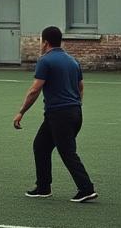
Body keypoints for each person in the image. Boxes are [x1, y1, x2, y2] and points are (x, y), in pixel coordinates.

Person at [13, 26, 97, 202]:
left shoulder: (45, 60)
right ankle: (43, 187)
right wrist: (76, 105)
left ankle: (86, 188)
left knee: (67, 152)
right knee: (41, 146)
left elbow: (35, 89)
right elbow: (80, 87)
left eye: (40, 41)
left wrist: (21, 112)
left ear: (45, 42)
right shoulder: (72, 60)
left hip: (60, 115)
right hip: (72, 113)